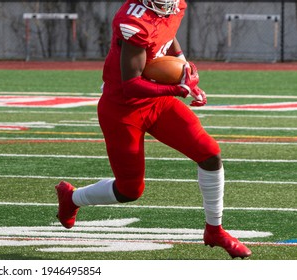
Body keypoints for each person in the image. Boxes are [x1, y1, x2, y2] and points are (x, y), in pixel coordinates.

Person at [55, 0, 252, 259]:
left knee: (209, 153)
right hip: (122, 109)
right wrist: (178, 88)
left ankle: (215, 229)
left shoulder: (175, 6)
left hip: (157, 102)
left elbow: (168, 37)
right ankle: (72, 198)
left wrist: (184, 68)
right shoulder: (133, 21)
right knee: (129, 190)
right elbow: (132, 84)